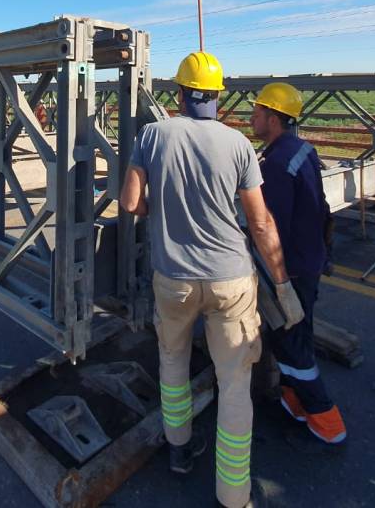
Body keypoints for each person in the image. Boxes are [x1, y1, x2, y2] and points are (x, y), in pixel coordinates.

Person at [120, 51, 300, 508]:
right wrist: (280, 283)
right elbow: (259, 224)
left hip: (173, 279)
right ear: (218, 97)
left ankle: (179, 450)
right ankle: (233, 494)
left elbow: (129, 203)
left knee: (173, 361)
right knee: (235, 383)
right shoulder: (239, 144)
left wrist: (155, 208)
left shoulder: (152, 135)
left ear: (179, 94)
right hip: (231, 281)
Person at [249, 82, 347, 445]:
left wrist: (276, 276)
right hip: (309, 259)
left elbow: (269, 224)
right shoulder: (302, 150)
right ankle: (295, 403)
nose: (252, 118)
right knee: (297, 333)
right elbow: (320, 208)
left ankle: (326, 418)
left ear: (273, 118)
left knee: (291, 343)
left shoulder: (275, 164)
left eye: (257, 113)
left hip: (289, 268)